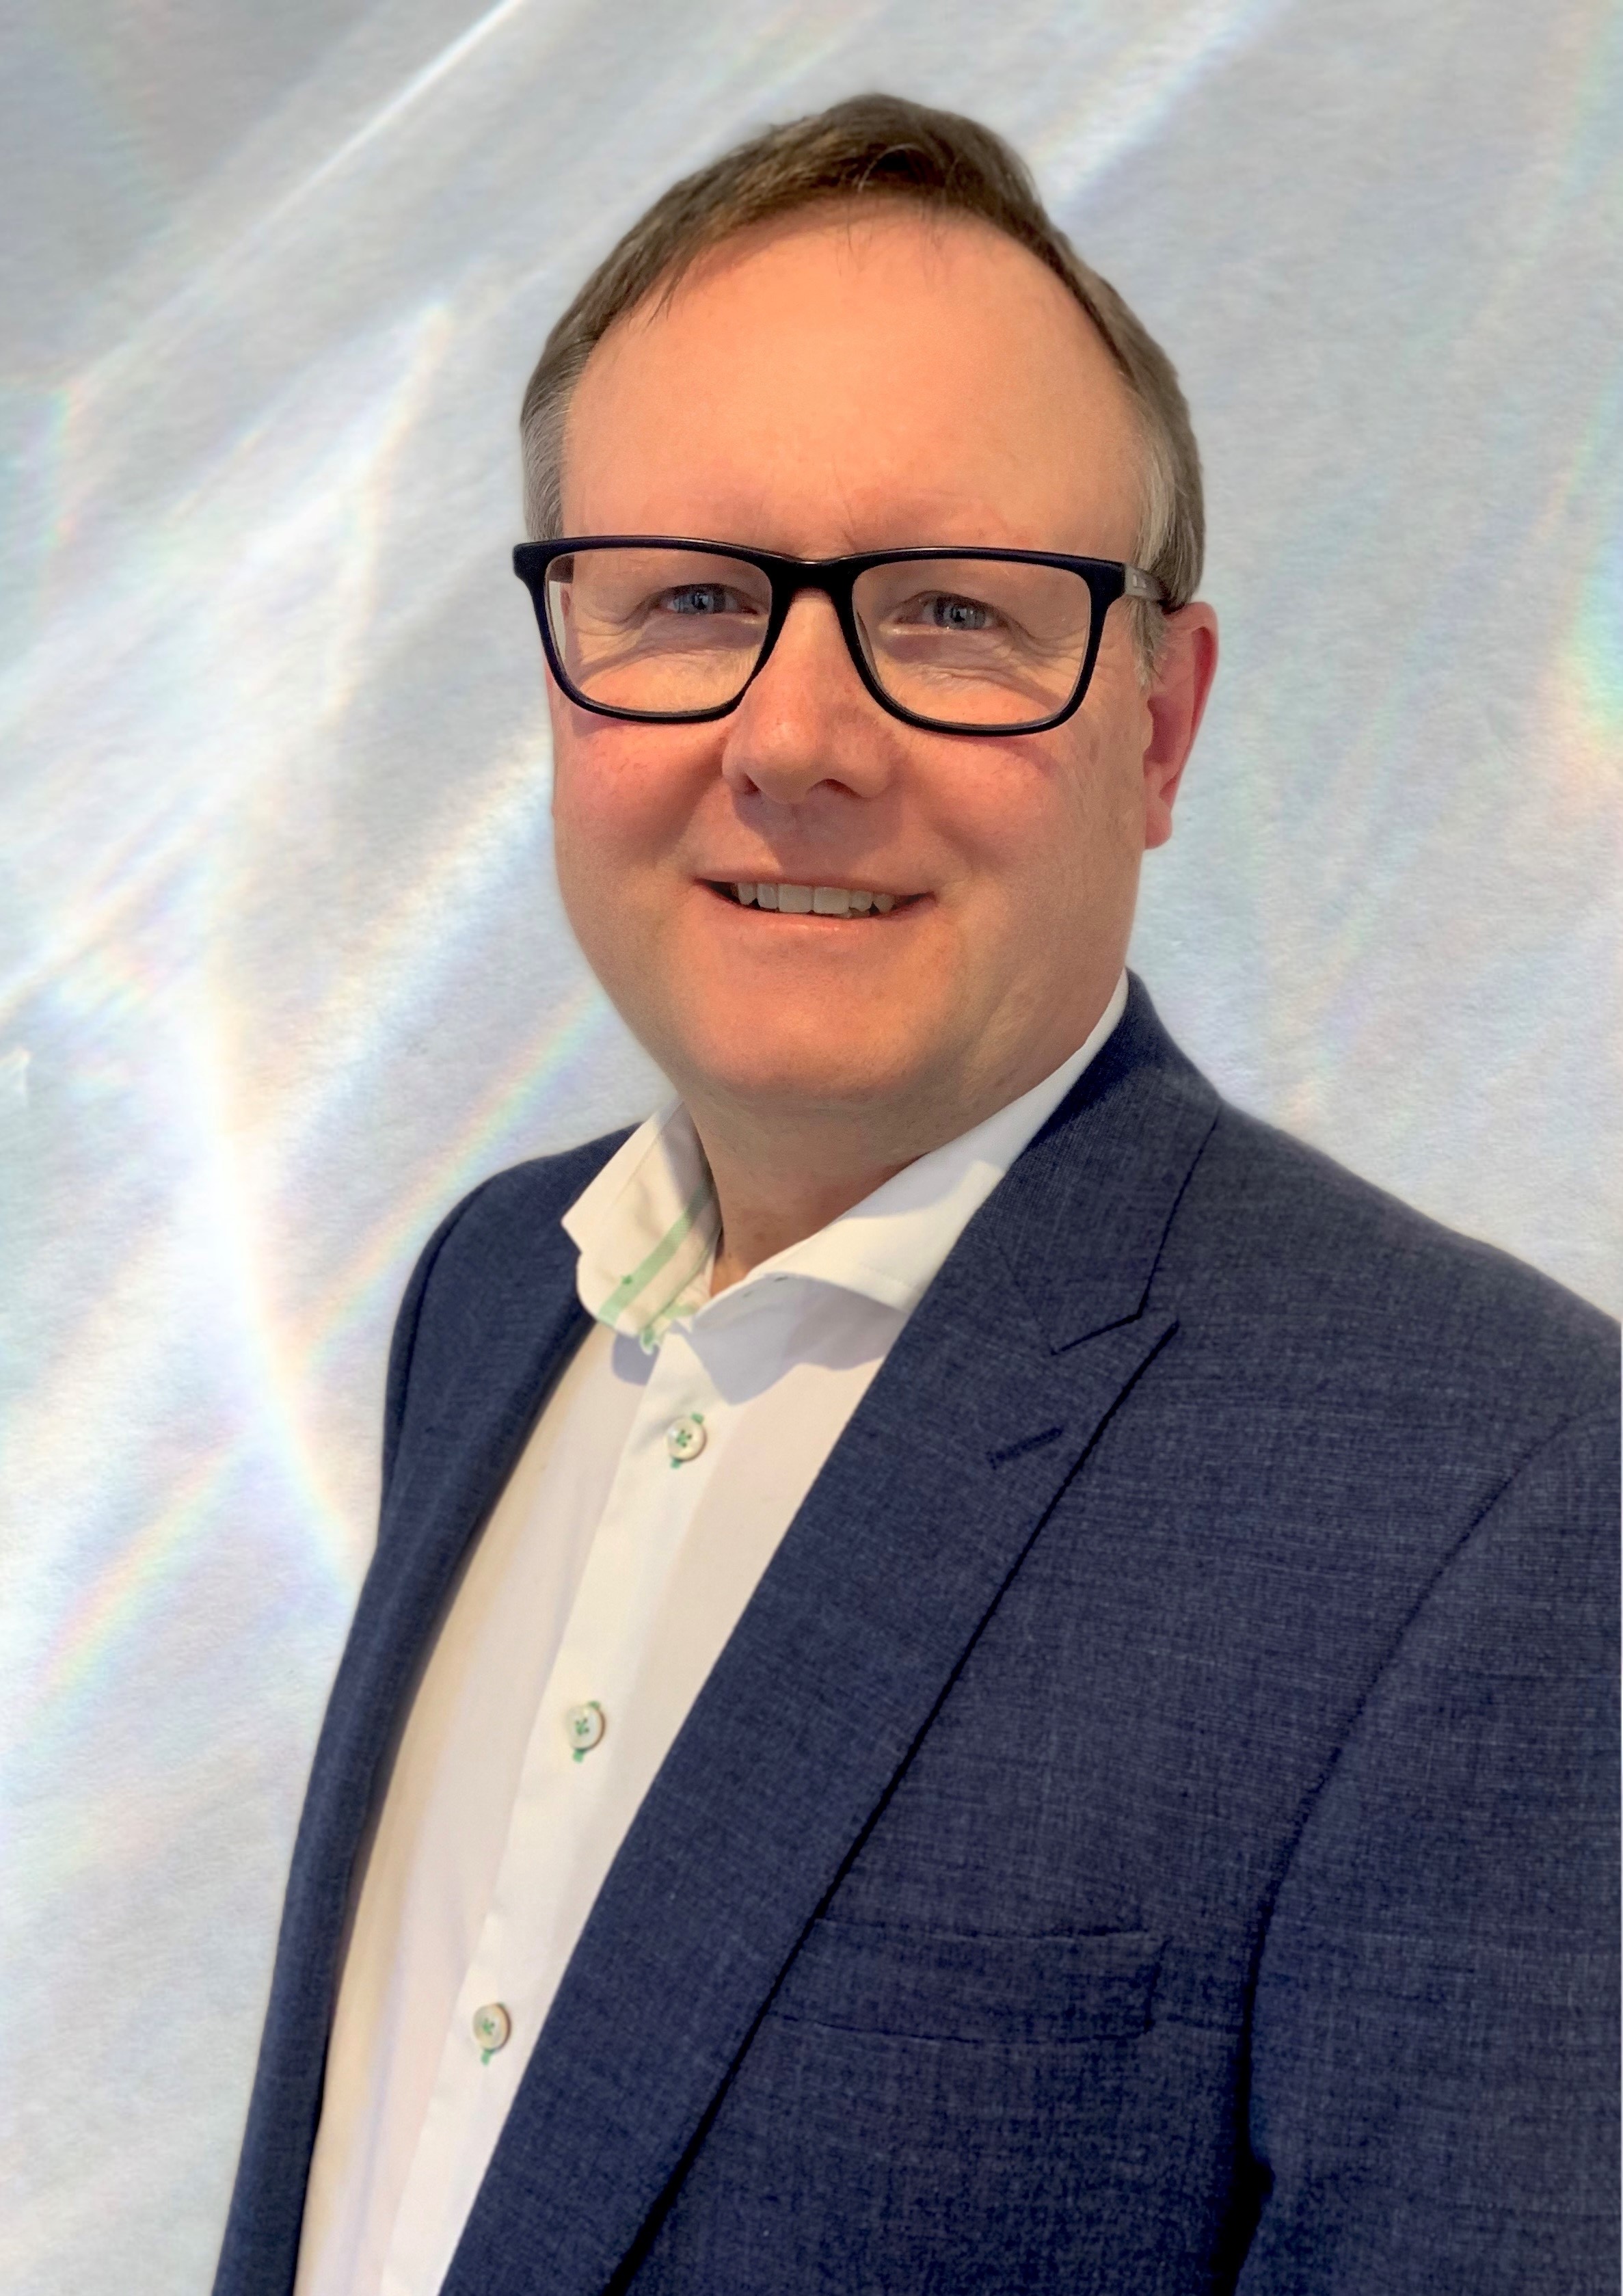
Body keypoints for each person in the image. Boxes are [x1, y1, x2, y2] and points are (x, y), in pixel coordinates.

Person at [214, 94, 1618, 2296]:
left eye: (954, 613)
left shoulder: (1505, 1497)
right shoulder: (488, 1296)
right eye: (688, 599)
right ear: (564, 679)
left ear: (1160, 728)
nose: (796, 740)